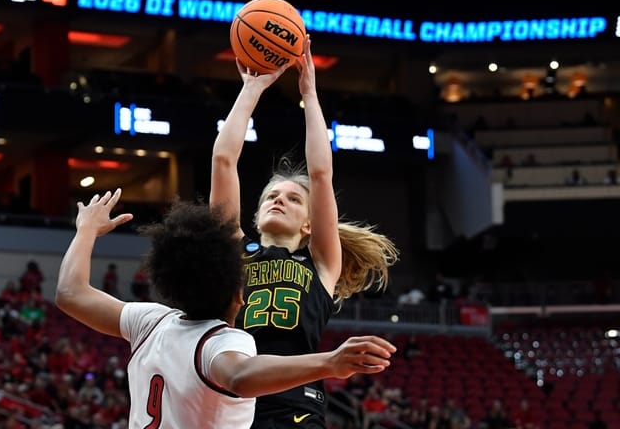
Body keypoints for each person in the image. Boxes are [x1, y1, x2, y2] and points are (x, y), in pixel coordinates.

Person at [55, 189, 397, 429]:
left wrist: (85, 230)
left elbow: (71, 293)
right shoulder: (224, 342)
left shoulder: (150, 321)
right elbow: (239, 377)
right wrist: (329, 362)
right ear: (240, 295)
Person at [209, 35, 399, 428]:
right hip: (227, 399)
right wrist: (252, 87)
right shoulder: (233, 252)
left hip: (295, 403)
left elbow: (320, 174)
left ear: (310, 223)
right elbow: (224, 161)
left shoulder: (322, 264)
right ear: (257, 215)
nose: (279, 200)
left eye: (294, 199)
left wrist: (309, 94)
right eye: (270, 197)